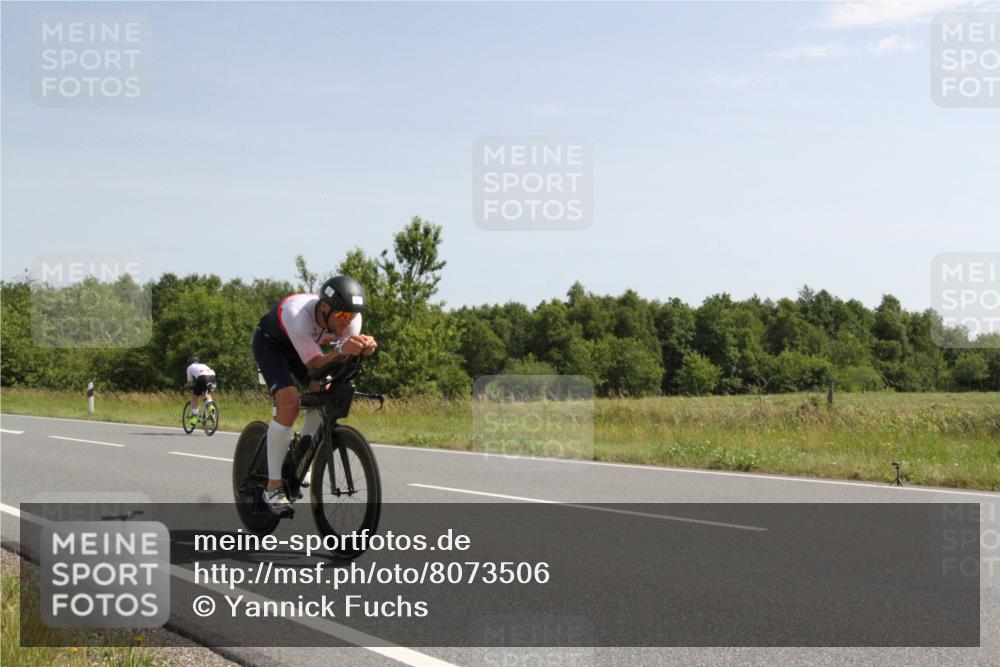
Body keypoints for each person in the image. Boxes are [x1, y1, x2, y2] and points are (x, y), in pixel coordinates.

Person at [251, 275, 377, 515]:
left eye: (351, 316)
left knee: (325, 394)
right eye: (342, 315)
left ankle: (302, 455)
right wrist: (343, 348)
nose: (347, 321)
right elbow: (314, 365)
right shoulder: (298, 315)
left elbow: (338, 362)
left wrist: (363, 348)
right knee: (289, 403)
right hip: (272, 347)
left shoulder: (351, 319)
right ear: (325, 307)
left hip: (306, 349)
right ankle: (272, 488)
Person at [184, 357, 216, 426]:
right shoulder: (203, 365)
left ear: (189, 363)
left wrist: (186, 386)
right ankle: (211, 406)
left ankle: (195, 418)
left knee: (195, 397)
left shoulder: (189, 367)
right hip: (212, 377)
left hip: (202, 377)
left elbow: (190, 382)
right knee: (206, 393)